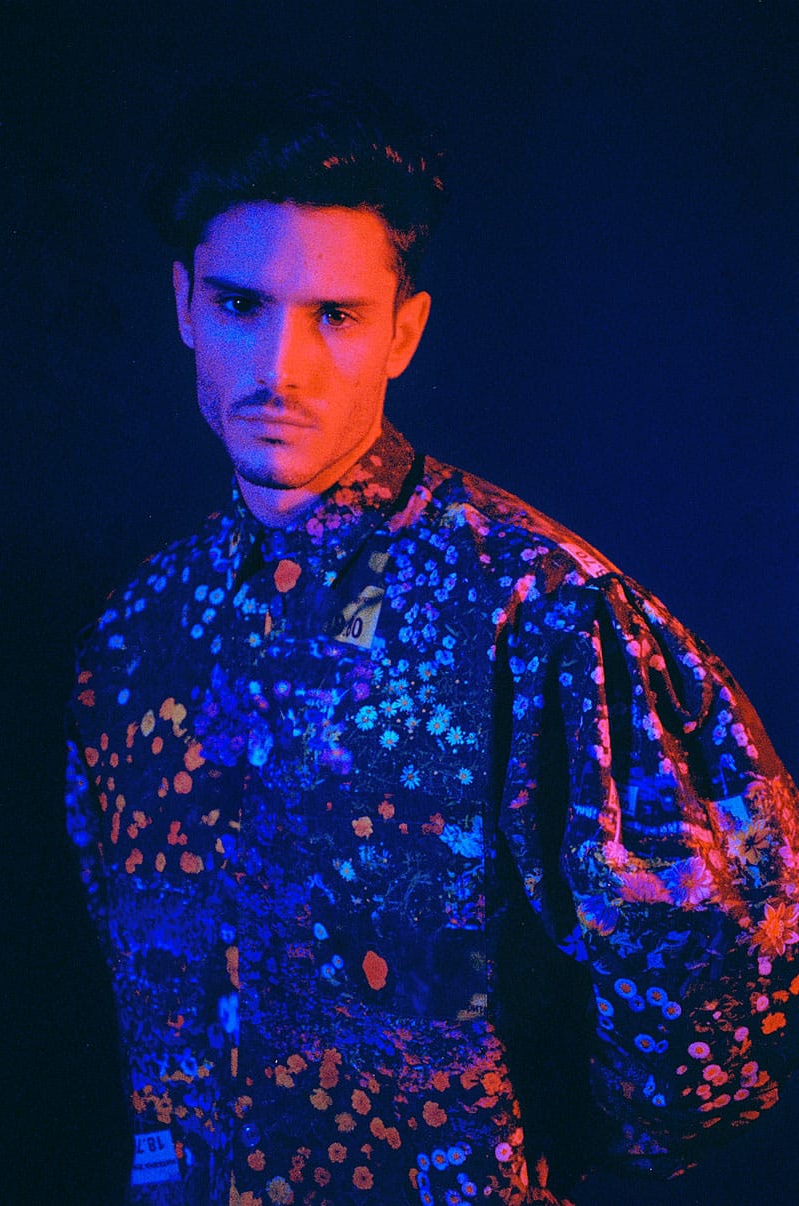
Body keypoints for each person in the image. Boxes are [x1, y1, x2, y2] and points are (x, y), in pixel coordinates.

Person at [66, 76, 799, 1206]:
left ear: (403, 331)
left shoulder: (536, 607)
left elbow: (720, 954)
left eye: (335, 316)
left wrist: (538, 1156)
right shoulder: (131, 640)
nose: (279, 369)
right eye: (241, 305)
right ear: (184, 306)